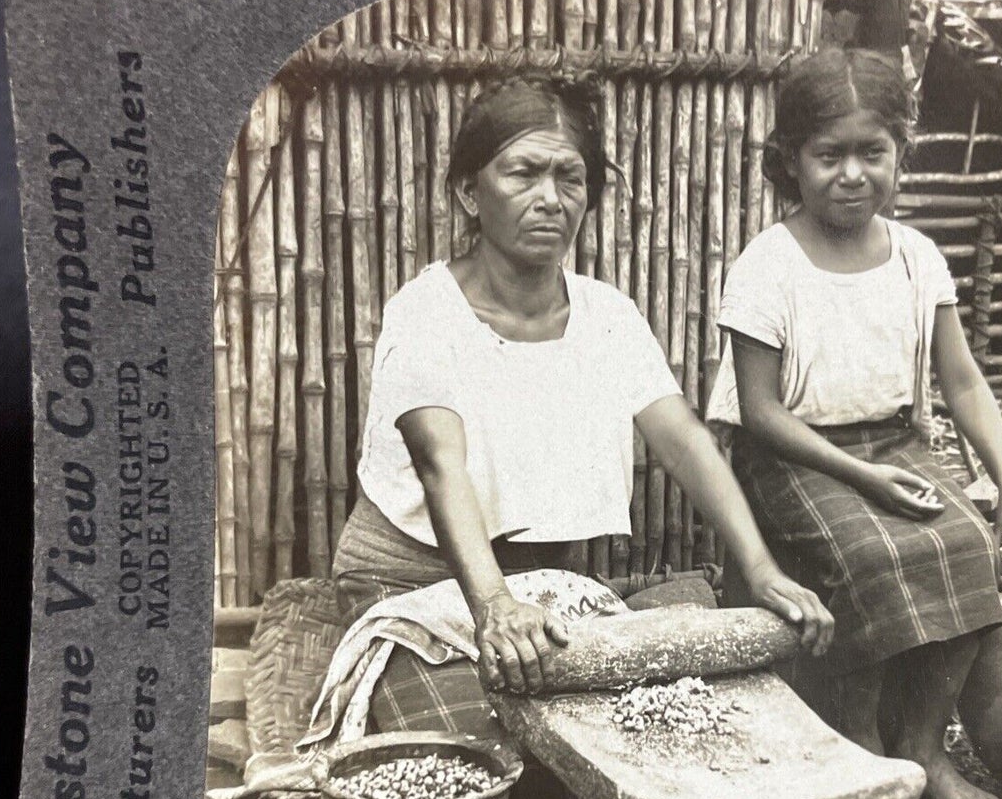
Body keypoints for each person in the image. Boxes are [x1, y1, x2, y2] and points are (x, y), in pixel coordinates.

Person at [331, 75, 832, 739]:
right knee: (481, 745)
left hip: (539, 583)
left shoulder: (606, 316)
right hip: (411, 576)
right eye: (523, 173)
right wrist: (493, 608)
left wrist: (762, 569)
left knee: (629, 732)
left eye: (569, 178)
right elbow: (438, 465)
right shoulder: (426, 313)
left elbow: (682, 439)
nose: (549, 199)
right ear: (467, 193)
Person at [703, 48, 1002, 799]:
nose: (850, 174)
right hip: (793, 452)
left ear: (901, 154)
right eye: (827, 156)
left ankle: (922, 745)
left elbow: (960, 382)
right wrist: (859, 476)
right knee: (871, 558)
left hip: (891, 443)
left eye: (870, 153)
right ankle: (857, 746)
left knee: (965, 545)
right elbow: (758, 411)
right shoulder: (768, 265)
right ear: (790, 160)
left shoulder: (916, 257)